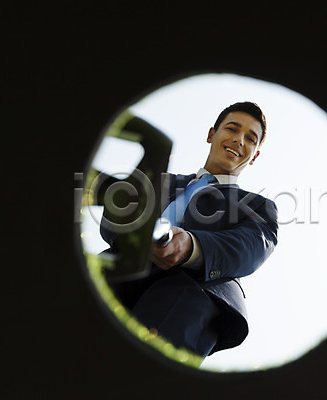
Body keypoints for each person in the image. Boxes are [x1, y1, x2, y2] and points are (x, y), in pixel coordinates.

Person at [102, 102, 278, 358]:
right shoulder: (161, 181)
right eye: (232, 129)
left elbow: (250, 246)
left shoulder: (258, 206)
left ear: (255, 156)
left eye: (250, 139)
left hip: (189, 296)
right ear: (211, 135)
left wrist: (192, 246)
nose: (239, 140)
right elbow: (114, 217)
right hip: (117, 274)